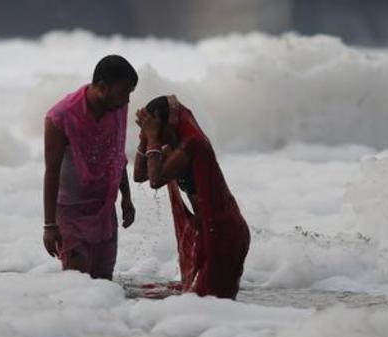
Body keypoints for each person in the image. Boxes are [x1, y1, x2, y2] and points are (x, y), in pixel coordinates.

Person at [133, 95, 249, 298]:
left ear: (168, 122)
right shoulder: (173, 143)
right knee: (197, 300)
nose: (158, 139)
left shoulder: (192, 143)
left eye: (156, 130)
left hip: (225, 233)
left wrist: (152, 139)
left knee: (211, 305)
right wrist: (145, 137)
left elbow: (155, 180)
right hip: (208, 230)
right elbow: (139, 176)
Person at [42, 55, 137, 280]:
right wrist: (49, 225)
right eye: (123, 92)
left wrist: (126, 196)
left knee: (104, 284)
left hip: (104, 208)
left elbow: (116, 154)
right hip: (71, 213)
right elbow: (52, 172)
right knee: (76, 287)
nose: (127, 101)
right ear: (102, 87)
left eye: (130, 93)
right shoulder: (60, 117)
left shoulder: (117, 108)